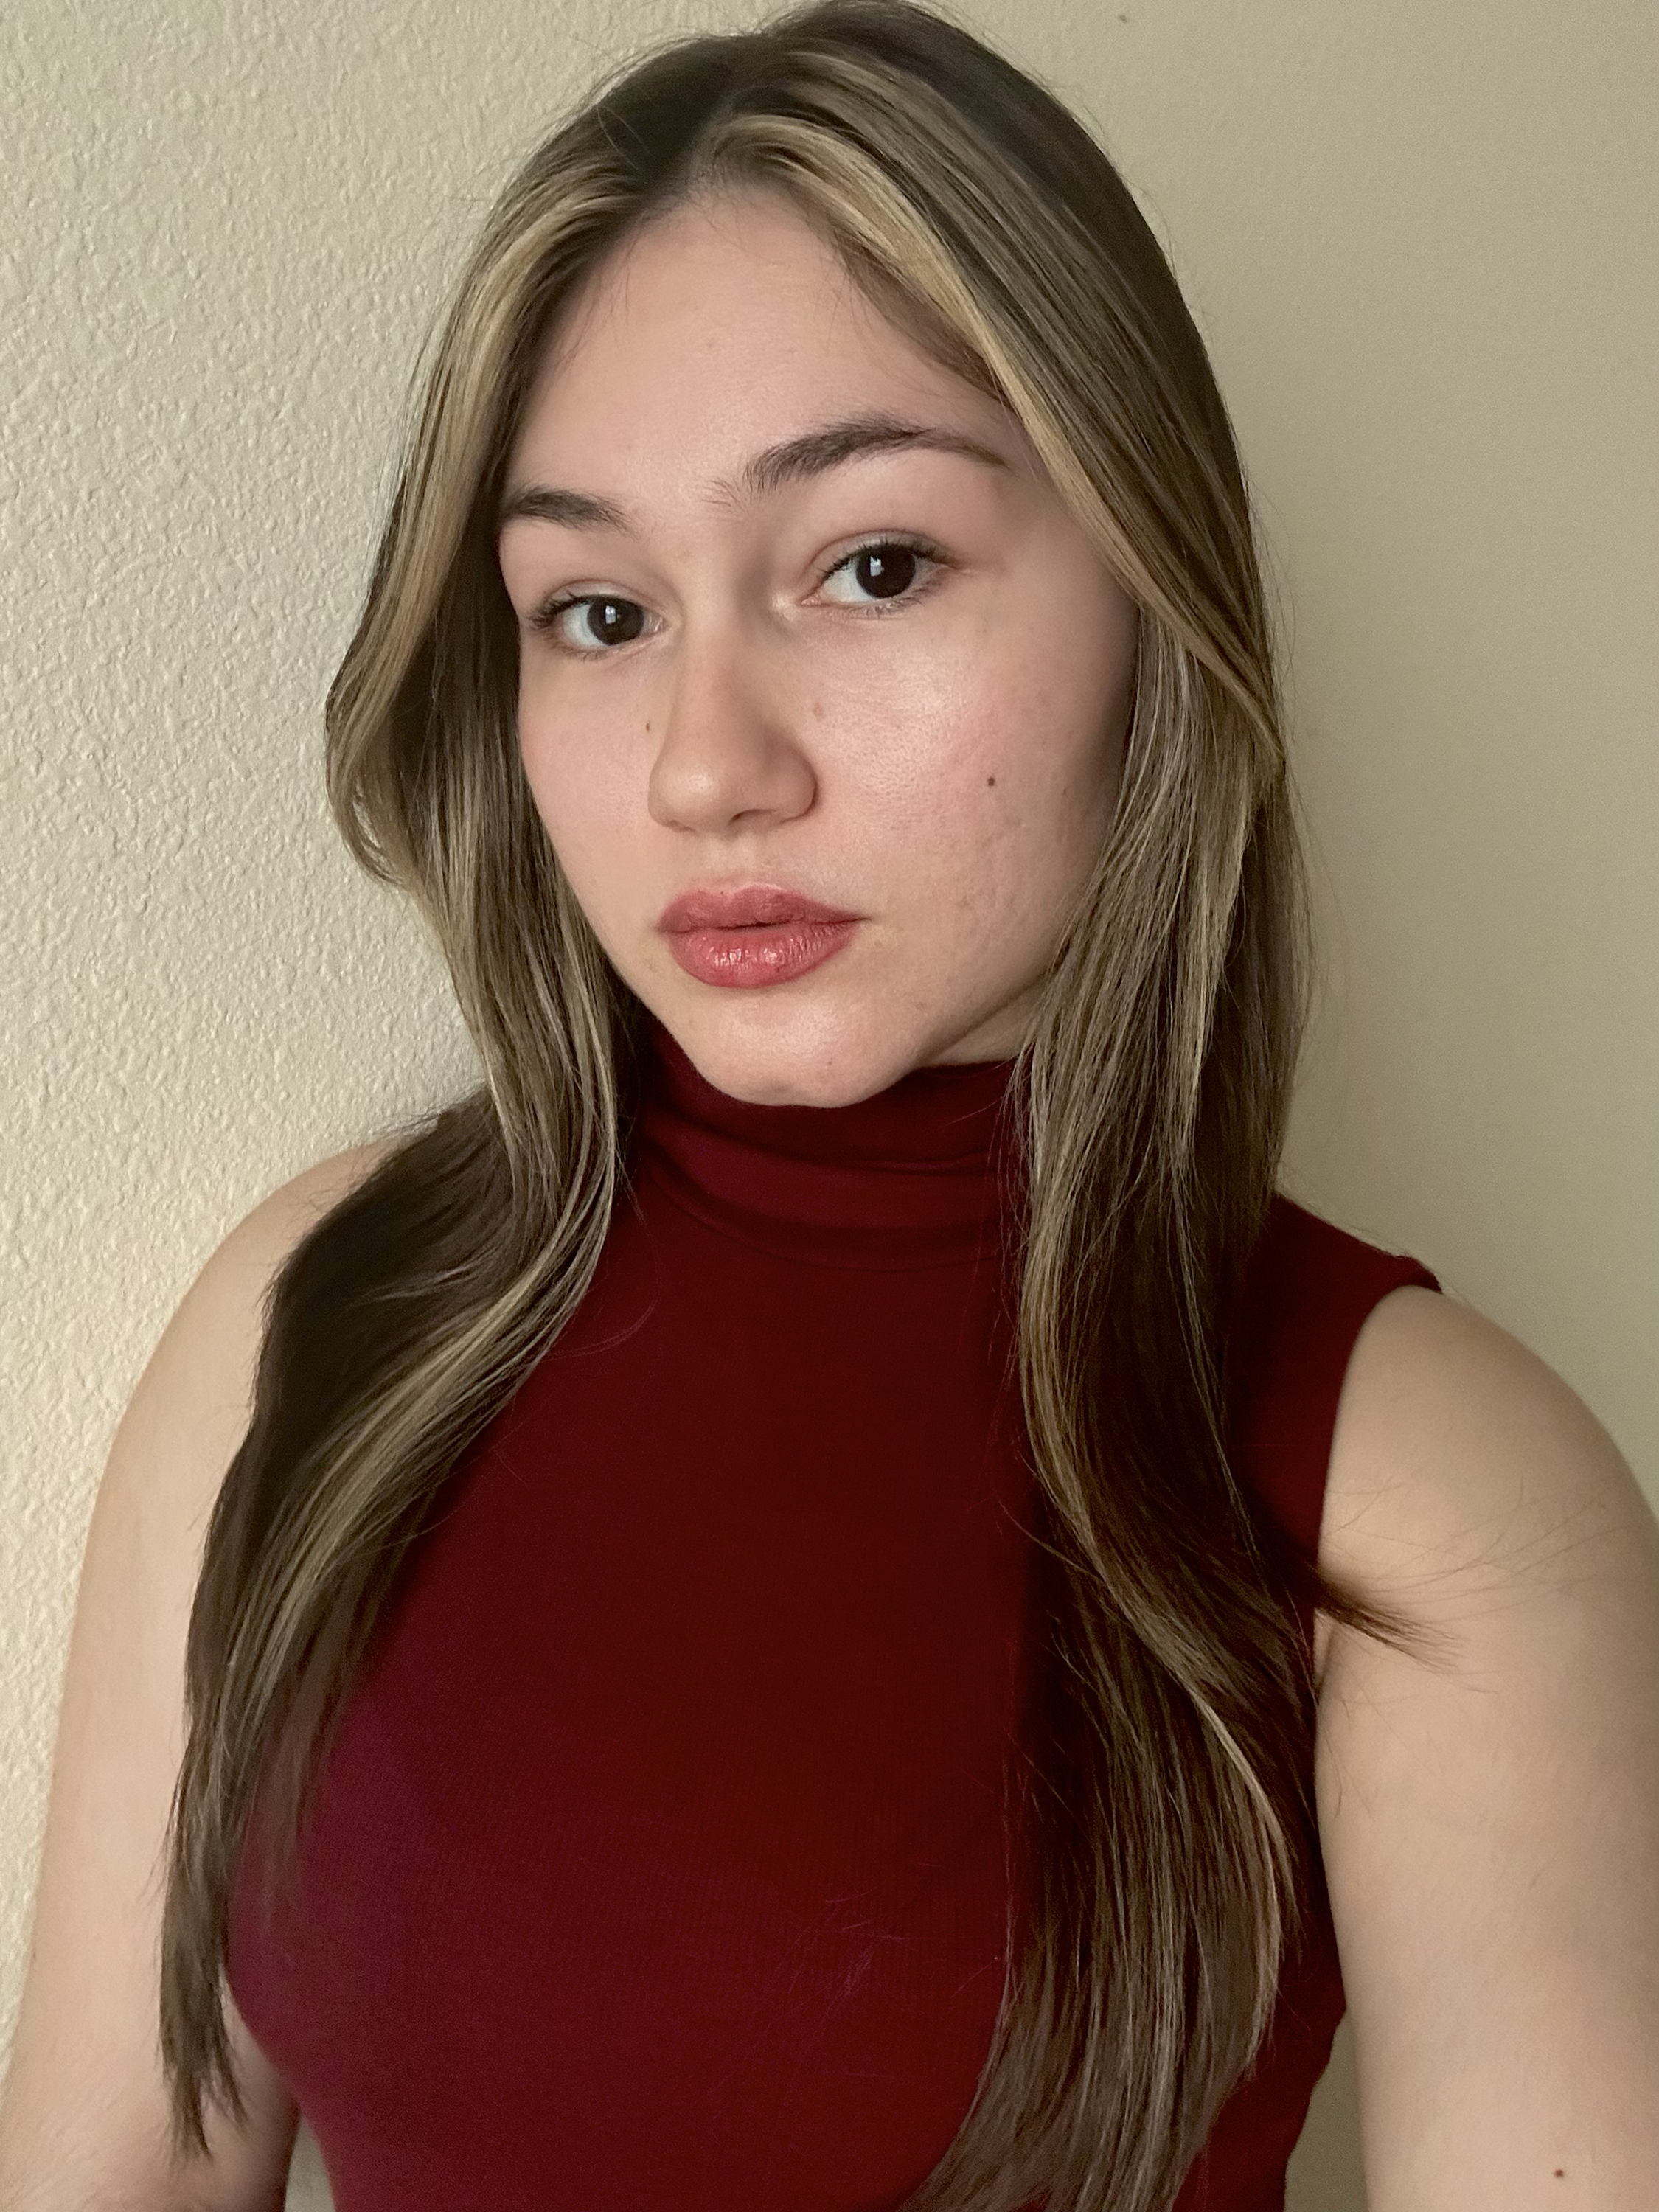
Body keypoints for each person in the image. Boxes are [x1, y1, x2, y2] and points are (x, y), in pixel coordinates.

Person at [3, 2, 1655, 2208]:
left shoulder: (1421, 1477)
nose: (707, 764)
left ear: (1154, 596)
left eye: (872, 567)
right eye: (596, 609)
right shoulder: (326, 1319)